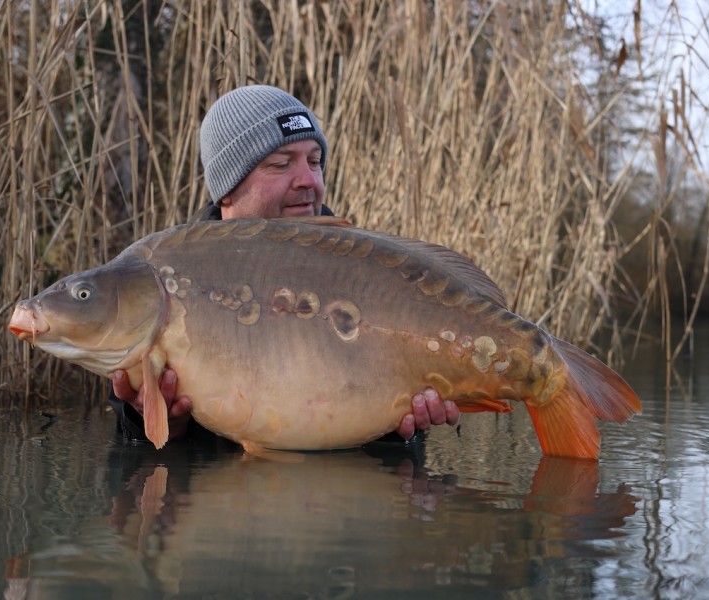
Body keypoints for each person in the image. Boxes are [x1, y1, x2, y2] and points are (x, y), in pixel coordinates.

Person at [109, 85, 459, 445]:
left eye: (314, 161)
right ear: (227, 189)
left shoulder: (370, 271)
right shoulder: (164, 284)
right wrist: (157, 421)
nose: (309, 180)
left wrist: (403, 432)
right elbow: (135, 453)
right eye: (281, 164)